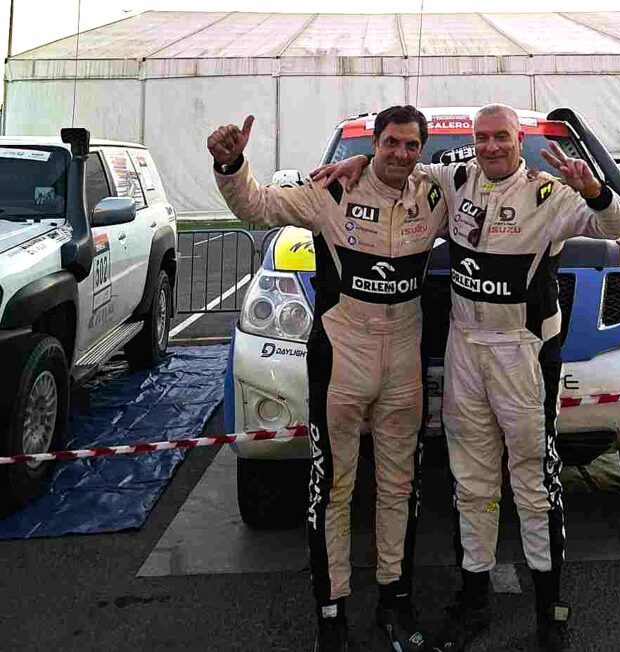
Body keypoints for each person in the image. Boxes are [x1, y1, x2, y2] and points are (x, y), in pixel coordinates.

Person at [312, 103, 620, 652]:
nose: (491, 147)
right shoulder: (454, 180)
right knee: (472, 481)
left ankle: (549, 612)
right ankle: (473, 599)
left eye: (501, 137)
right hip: (464, 348)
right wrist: (360, 161)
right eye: (482, 138)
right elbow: (401, 165)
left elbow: (619, 227)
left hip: (521, 353)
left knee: (533, 481)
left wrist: (596, 191)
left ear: (519, 140)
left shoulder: (550, 195)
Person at [208, 105, 449, 652]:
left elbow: (484, 167)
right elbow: (257, 205)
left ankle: (394, 602)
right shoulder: (331, 191)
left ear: (421, 151)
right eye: (390, 143)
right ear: (375, 142)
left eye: (411, 146)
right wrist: (232, 166)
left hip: (404, 366)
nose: (401, 154)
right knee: (333, 489)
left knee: (399, 488)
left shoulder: (434, 193)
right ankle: (332, 613)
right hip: (342, 359)